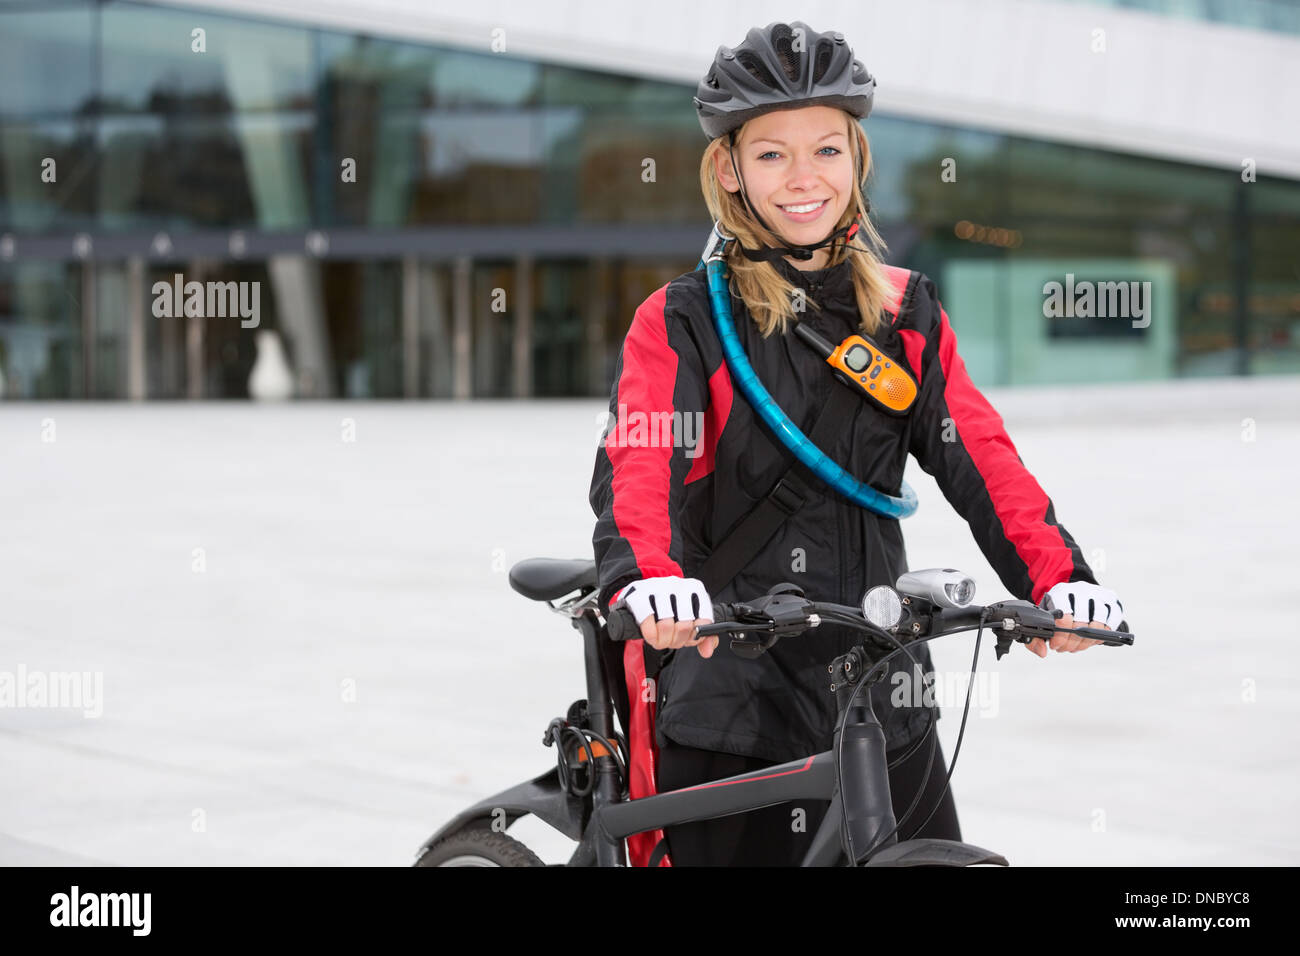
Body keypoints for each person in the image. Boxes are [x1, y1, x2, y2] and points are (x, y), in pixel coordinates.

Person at [588, 20, 1126, 867]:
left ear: (857, 160)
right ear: (729, 170)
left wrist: (1061, 580)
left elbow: (978, 454)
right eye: (771, 154)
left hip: (883, 689)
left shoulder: (905, 313)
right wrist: (653, 585)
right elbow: (639, 466)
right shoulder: (686, 319)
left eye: (827, 150)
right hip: (729, 692)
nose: (805, 179)